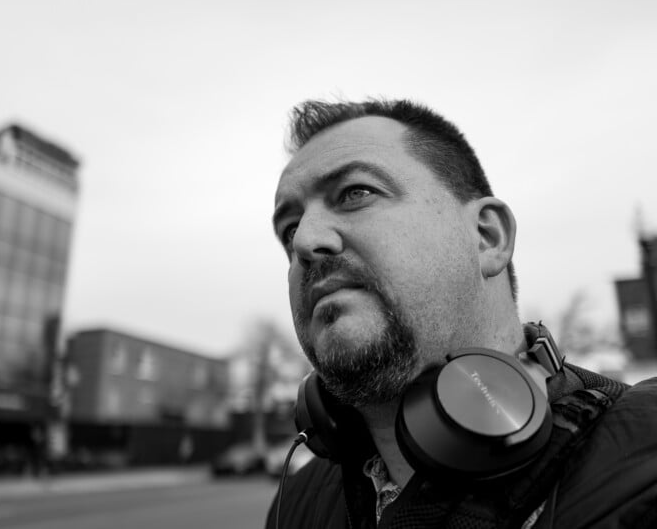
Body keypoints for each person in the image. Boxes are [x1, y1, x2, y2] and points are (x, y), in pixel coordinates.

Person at [266, 98, 657, 528]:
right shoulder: (295, 503)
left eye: (356, 193)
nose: (305, 241)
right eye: (289, 229)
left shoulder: (644, 460)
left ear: (487, 237)